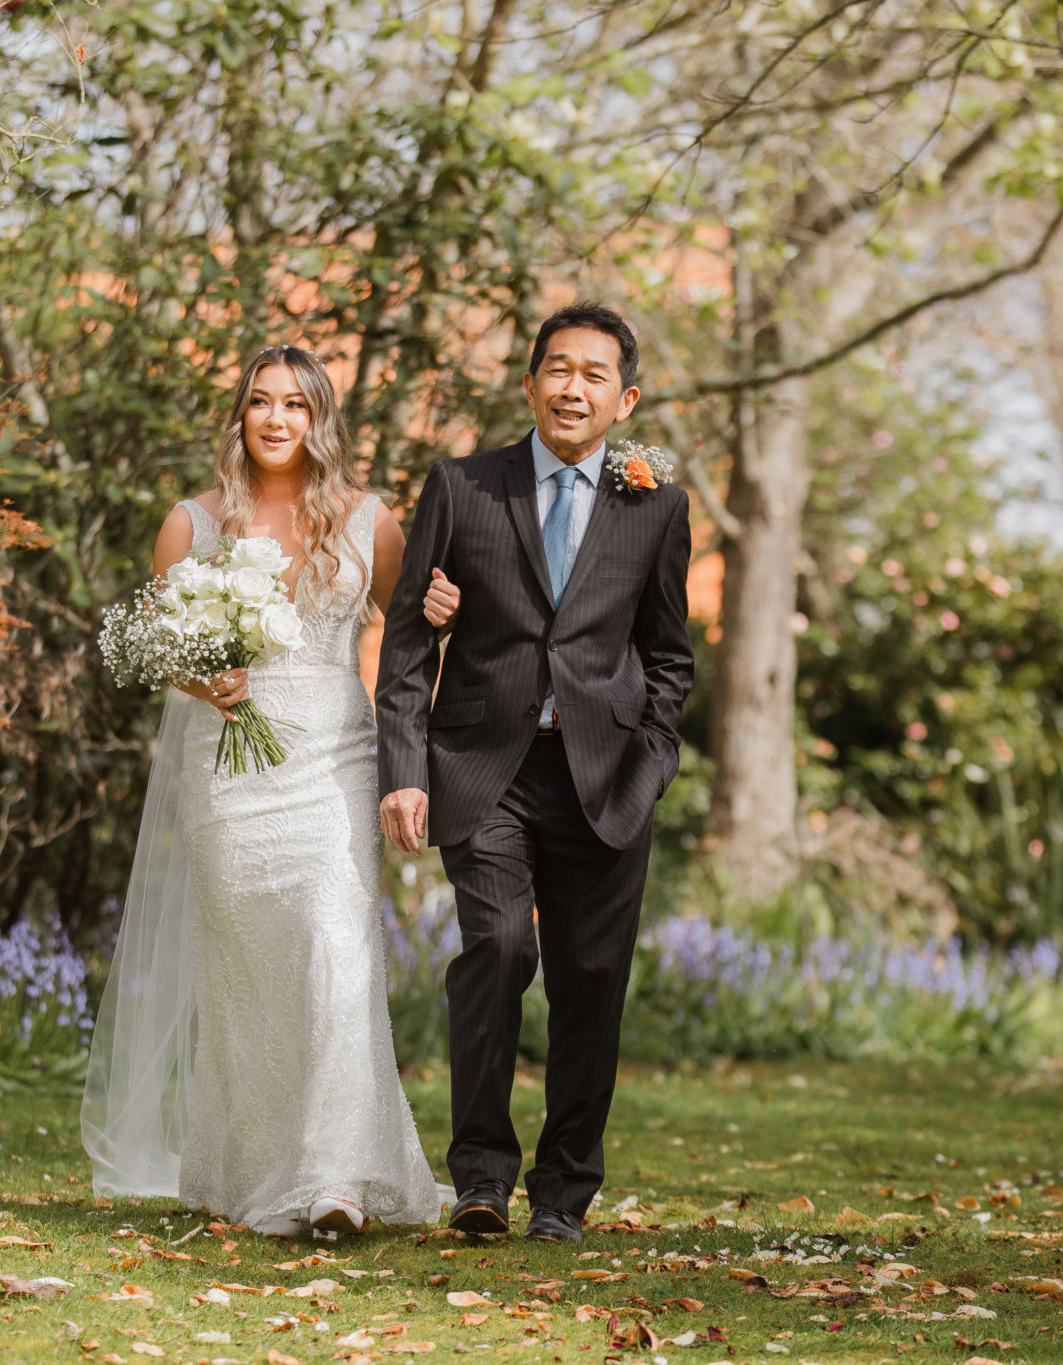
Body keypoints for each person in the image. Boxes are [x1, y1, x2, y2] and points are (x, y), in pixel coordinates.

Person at [82, 345, 461, 1238]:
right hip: (230, 774)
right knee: (250, 976)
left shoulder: (371, 522)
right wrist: (201, 677)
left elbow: (410, 639)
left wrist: (447, 611)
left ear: (321, 417)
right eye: (261, 402)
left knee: (335, 952)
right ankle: (253, 1164)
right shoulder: (194, 524)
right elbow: (162, 648)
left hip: (334, 760)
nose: (278, 418)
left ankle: (334, 1181)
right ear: (241, 416)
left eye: (296, 403)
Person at [375, 302, 693, 1244]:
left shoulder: (656, 504)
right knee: (500, 949)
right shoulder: (464, 486)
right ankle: (479, 1174)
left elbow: (670, 654)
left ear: (623, 398)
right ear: (529, 383)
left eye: (595, 374)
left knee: (592, 982)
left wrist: (652, 757)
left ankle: (563, 1194)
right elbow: (403, 641)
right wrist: (404, 768)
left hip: (607, 779)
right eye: (558, 368)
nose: (572, 387)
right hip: (485, 767)